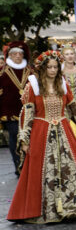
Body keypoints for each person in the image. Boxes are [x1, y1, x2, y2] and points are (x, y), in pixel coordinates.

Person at [7, 51, 76, 223]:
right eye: (49, 67)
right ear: (42, 68)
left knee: (69, 169)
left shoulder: (63, 85)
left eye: (55, 67)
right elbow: (28, 114)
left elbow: (75, 109)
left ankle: (71, 206)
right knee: (42, 170)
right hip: (41, 132)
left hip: (64, 131)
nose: (52, 70)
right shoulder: (33, 86)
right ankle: (45, 209)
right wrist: (24, 139)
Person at [0, 41, 34, 173]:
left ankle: (28, 165)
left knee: (30, 138)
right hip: (10, 112)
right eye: (15, 54)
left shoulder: (31, 72)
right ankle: (18, 166)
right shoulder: (2, 72)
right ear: (10, 55)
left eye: (20, 54)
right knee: (15, 137)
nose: (18, 56)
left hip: (30, 111)